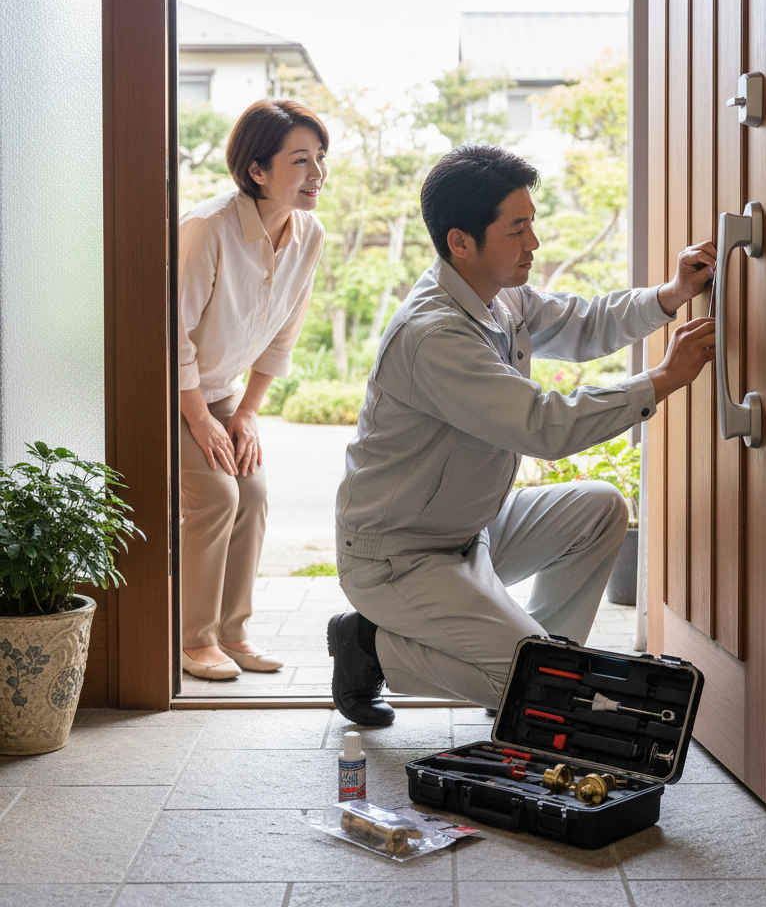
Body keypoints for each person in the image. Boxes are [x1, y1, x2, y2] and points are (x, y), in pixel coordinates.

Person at [328, 144, 715, 724]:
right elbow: (543, 425)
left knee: (600, 508)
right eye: (517, 229)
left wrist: (671, 296)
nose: (533, 243)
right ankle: (369, 646)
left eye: (531, 224)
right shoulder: (434, 336)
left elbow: (584, 322)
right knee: (545, 682)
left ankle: (533, 685)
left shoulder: (499, 294)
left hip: (470, 532)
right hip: (399, 557)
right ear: (461, 241)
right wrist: (659, 381)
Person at [178, 99, 327, 680]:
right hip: (171, 386)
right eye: (300, 160)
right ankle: (194, 640)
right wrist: (199, 418)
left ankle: (233, 633)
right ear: (257, 170)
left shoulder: (308, 235)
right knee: (218, 494)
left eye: (320, 158)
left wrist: (246, 412)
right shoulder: (206, 229)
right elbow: (174, 337)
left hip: (220, 391)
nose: (316, 173)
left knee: (255, 491)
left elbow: (284, 331)